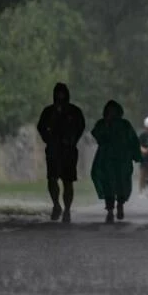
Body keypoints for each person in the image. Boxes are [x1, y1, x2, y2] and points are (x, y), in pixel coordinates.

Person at [36, 82, 86, 223]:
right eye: (58, 93)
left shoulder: (74, 112)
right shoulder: (48, 112)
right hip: (53, 149)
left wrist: (73, 139)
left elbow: (81, 126)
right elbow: (41, 127)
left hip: (68, 150)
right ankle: (56, 205)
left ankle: (67, 210)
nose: (60, 96)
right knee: (52, 179)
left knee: (68, 181)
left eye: (62, 93)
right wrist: (48, 139)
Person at [91, 100, 142, 223]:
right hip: (106, 160)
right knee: (107, 184)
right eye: (110, 110)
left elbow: (133, 140)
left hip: (122, 159)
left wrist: (136, 155)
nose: (112, 113)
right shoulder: (102, 124)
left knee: (121, 183)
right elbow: (97, 136)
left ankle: (120, 205)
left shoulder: (125, 125)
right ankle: (109, 210)